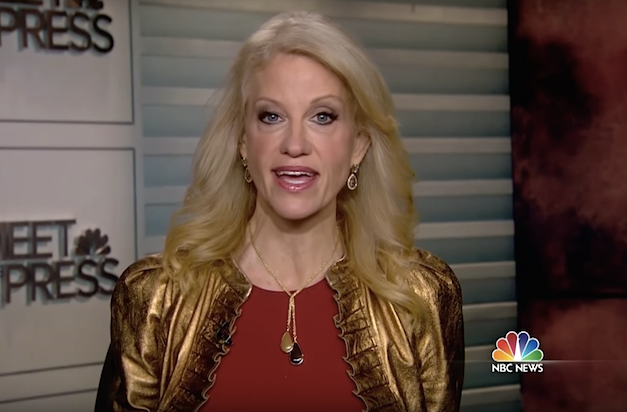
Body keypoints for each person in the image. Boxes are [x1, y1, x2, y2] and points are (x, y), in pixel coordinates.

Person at [98, 10, 464, 412]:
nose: (294, 144)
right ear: (243, 142)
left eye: (322, 117)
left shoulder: (421, 297)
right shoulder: (154, 300)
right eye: (271, 116)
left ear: (358, 146)